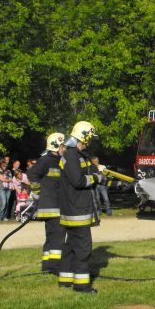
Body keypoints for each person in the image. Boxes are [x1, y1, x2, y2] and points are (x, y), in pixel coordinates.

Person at [58, 122, 103, 293]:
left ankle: (65, 279)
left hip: (75, 209)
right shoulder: (71, 156)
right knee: (83, 247)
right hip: (77, 210)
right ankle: (82, 285)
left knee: (70, 245)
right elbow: (78, 181)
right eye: (88, 140)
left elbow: (90, 171)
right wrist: (96, 178)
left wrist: (100, 172)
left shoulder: (79, 155)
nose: (89, 144)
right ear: (83, 137)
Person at [28, 133, 66, 274]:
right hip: (53, 207)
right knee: (57, 237)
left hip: (52, 206)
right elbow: (32, 175)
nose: (64, 148)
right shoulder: (46, 160)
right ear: (57, 146)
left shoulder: (57, 161)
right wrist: (37, 192)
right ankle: (55, 266)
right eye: (63, 146)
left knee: (51, 237)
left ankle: (47, 264)